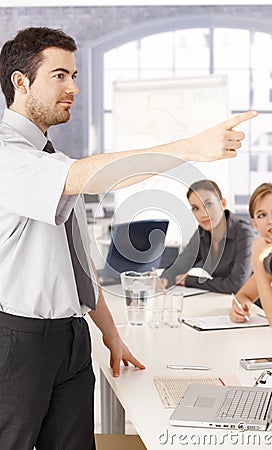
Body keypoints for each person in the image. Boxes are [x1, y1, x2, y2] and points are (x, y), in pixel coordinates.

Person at [0, 26, 257, 450]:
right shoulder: (8, 155)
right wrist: (190, 149)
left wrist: (110, 333)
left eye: (75, 75)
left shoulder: (52, 161)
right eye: (60, 75)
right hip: (19, 341)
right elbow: (93, 175)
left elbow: (76, 262)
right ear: (21, 82)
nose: (74, 88)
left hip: (71, 338)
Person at [159, 179, 255, 294]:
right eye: (196, 208)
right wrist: (163, 280)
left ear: (222, 204)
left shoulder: (244, 232)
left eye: (208, 205)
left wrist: (189, 280)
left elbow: (237, 285)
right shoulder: (202, 232)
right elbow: (180, 265)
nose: (203, 214)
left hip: (252, 306)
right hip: (223, 300)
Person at [229, 182, 272, 328]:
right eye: (262, 215)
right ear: (255, 224)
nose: (271, 220)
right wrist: (240, 308)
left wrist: (257, 262)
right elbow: (244, 295)